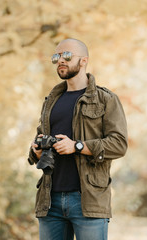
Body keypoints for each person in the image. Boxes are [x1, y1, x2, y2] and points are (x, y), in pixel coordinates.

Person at [28, 38, 128, 240]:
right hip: (50, 200)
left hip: (88, 200)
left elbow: (119, 144)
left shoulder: (106, 99)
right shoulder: (51, 101)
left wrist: (77, 146)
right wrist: (36, 151)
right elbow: (39, 138)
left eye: (67, 56)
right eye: (56, 57)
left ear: (84, 61)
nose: (60, 61)